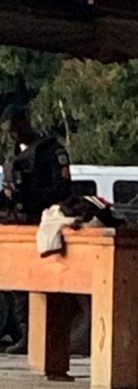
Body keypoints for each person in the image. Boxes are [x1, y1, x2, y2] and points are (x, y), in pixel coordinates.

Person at [0, 102, 72, 353]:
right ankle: (25, 333)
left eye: (15, 128)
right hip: (16, 224)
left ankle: (43, 337)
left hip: (41, 223)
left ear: (25, 122)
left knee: (41, 283)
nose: (13, 135)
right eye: (9, 131)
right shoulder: (13, 153)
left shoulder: (51, 150)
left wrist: (29, 195)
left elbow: (62, 189)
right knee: (18, 282)